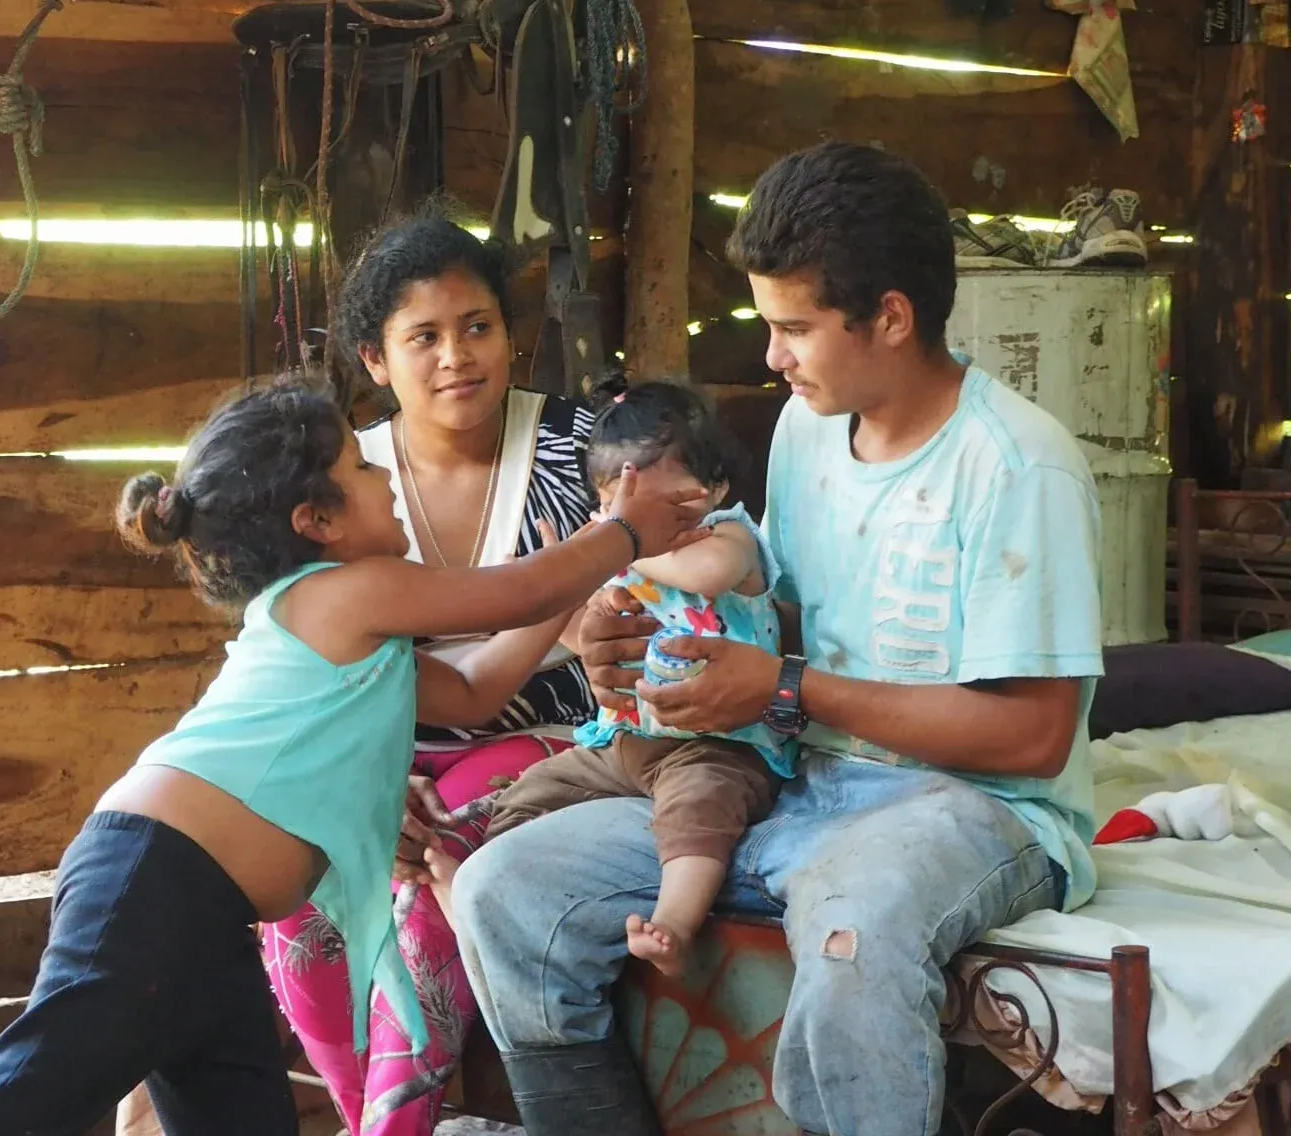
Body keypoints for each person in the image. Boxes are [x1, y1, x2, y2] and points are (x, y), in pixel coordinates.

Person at [447, 141, 1105, 1136]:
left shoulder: (1016, 465)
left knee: (852, 931)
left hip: (978, 808)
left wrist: (781, 686)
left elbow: (1032, 739)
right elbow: (784, 615)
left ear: (890, 316)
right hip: (795, 781)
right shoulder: (806, 430)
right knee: (506, 888)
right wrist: (650, 644)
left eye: (794, 328)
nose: (771, 357)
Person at [0, 376, 705, 1136]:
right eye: (362, 470)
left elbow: (471, 689)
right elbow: (513, 593)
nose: (383, 477)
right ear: (318, 520)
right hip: (154, 883)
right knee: (31, 1091)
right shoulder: (351, 591)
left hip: (202, 913)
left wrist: (571, 586)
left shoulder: (343, 625)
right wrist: (622, 535)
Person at [258, 216, 611, 1136]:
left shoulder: (585, 452)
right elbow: (329, 661)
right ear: (376, 359)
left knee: (428, 891)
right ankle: (366, 1119)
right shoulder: (346, 482)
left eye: (478, 326)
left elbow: (671, 590)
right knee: (301, 908)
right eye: (424, 337)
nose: (458, 356)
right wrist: (376, 780)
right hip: (387, 752)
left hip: (552, 748)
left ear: (509, 332)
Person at [426, 374, 792, 980]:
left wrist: (616, 545)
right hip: (621, 745)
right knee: (528, 796)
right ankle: (472, 906)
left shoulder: (728, 536)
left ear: (716, 486)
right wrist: (558, 588)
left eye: (665, 508)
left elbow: (707, 576)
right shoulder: (628, 557)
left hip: (719, 745)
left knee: (701, 810)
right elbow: (576, 642)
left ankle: (672, 922)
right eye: (618, 510)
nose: (642, 525)